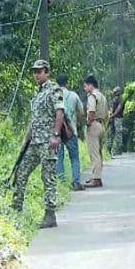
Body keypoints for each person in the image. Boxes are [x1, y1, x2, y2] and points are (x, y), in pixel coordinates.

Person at [11, 59, 65, 228]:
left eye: (40, 71)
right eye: (35, 71)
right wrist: (26, 140)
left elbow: (60, 113)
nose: (36, 74)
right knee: (20, 172)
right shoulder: (38, 94)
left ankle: (50, 214)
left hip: (48, 141)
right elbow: (34, 120)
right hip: (35, 142)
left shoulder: (54, 90)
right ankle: (16, 208)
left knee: (47, 177)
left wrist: (56, 135)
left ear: (47, 72)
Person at [56, 74, 85, 191]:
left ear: (57, 83)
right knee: (74, 157)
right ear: (67, 83)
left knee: (59, 157)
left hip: (57, 130)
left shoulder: (54, 95)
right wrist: (76, 121)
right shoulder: (73, 95)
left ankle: (61, 183)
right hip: (71, 130)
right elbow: (81, 112)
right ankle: (76, 182)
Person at [83, 75, 108, 188]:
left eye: (85, 86)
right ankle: (97, 176)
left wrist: (88, 122)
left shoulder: (92, 96)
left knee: (94, 153)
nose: (84, 89)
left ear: (90, 85)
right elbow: (107, 113)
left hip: (93, 125)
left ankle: (96, 179)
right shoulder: (102, 96)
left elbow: (91, 110)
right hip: (102, 124)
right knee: (99, 153)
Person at [109, 86, 125, 155]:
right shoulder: (115, 99)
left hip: (118, 118)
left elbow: (119, 108)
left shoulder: (120, 99)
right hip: (114, 118)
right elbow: (112, 108)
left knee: (118, 133)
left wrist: (112, 115)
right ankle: (109, 148)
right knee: (111, 133)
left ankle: (119, 149)